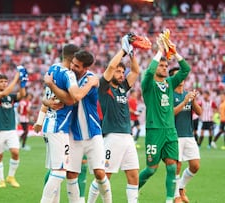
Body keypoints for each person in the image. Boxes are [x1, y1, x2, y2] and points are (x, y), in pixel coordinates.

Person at [44, 49, 111, 203]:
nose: (73, 67)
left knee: (100, 173)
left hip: (93, 133)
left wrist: (92, 83)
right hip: (73, 135)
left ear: (85, 68)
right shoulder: (69, 77)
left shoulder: (90, 78)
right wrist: (46, 101)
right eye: (73, 63)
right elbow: (55, 96)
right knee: (70, 175)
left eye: (77, 66)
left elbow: (77, 97)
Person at [138, 34, 190, 203]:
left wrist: (175, 53)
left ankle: (169, 200)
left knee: (172, 166)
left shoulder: (169, 83)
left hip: (170, 131)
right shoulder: (148, 85)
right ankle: (133, 189)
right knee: (151, 170)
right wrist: (160, 51)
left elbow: (186, 70)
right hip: (154, 131)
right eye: (161, 65)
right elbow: (149, 72)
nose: (164, 67)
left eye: (166, 65)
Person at [94, 35, 140, 203]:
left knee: (133, 175)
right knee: (104, 176)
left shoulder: (122, 88)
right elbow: (111, 65)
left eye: (122, 71)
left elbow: (135, 71)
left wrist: (132, 53)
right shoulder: (103, 87)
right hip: (111, 136)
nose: (121, 74)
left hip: (127, 136)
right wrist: (123, 50)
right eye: (118, 72)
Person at [0, 66, 27, 188]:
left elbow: (22, 95)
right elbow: (5, 93)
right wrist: (16, 77)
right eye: (1, 81)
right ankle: (1, 180)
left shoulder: (10, 96)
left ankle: (11, 177)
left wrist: (22, 84)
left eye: (6, 81)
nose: (4, 83)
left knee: (15, 152)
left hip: (11, 130)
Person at [169, 67, 202, 203]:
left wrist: (192, 100)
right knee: (177, 166)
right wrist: (184, 102)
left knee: (195, 165)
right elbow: (170, 113)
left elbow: (199, 112)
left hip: (188, 135)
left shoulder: (187, 94)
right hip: (175, 135)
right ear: (172, 79)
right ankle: (176, 196)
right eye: (178, 76)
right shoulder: (169, 94)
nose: (181, 79)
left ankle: (181, 187)